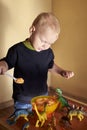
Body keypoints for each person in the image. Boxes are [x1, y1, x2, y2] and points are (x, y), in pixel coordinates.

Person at [0, 12, 74, 124]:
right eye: (43, 41)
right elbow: (7, 62)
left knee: (40, 122)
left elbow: (50, 65)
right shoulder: (17, 50)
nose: (45, 46)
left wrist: (61, 71)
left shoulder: (48, 52)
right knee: (22, 122)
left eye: (50, 43)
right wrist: (2, 65)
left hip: (42, 97)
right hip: (23, 99)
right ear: (32, 30)